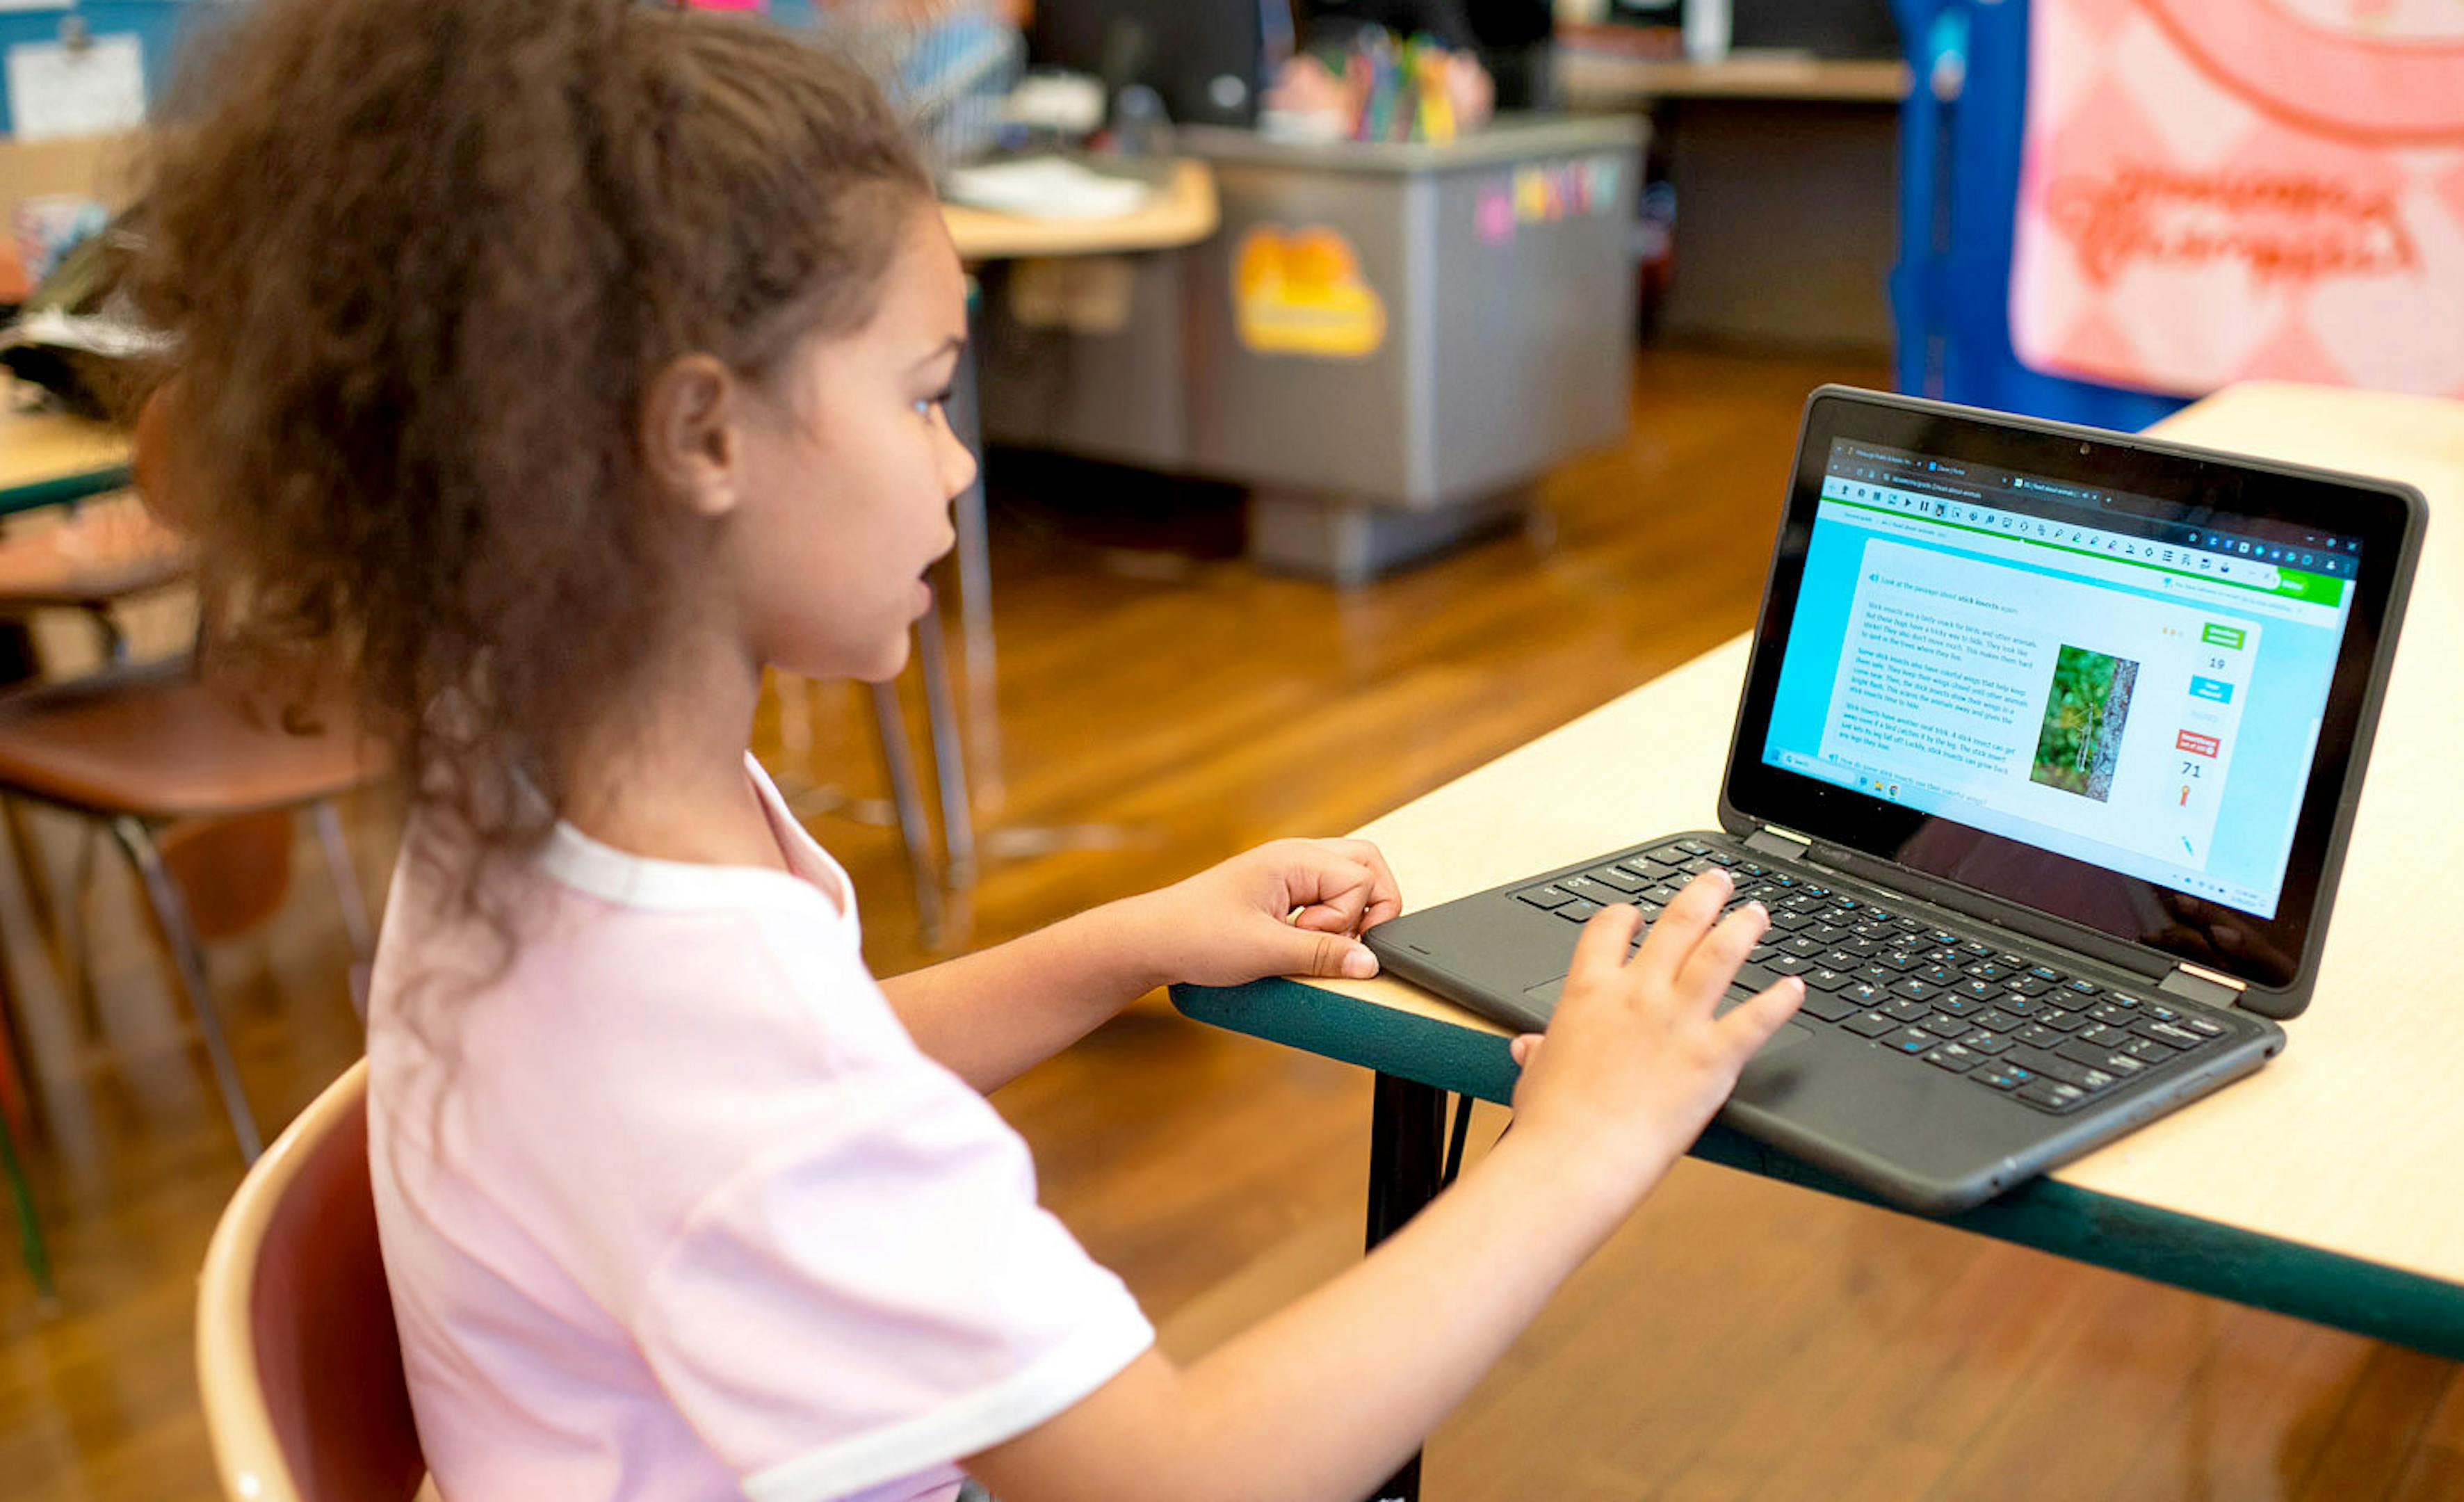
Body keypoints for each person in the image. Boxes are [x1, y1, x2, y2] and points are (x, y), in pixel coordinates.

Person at [132, 2, 1802, 1498]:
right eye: (925, 395)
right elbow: (1189, 1475)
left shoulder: (524, 774)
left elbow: (808, 1066)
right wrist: (1591, 1134)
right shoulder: (699, 1020)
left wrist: (1122, 945)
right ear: (701, 433)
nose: (957, 470)